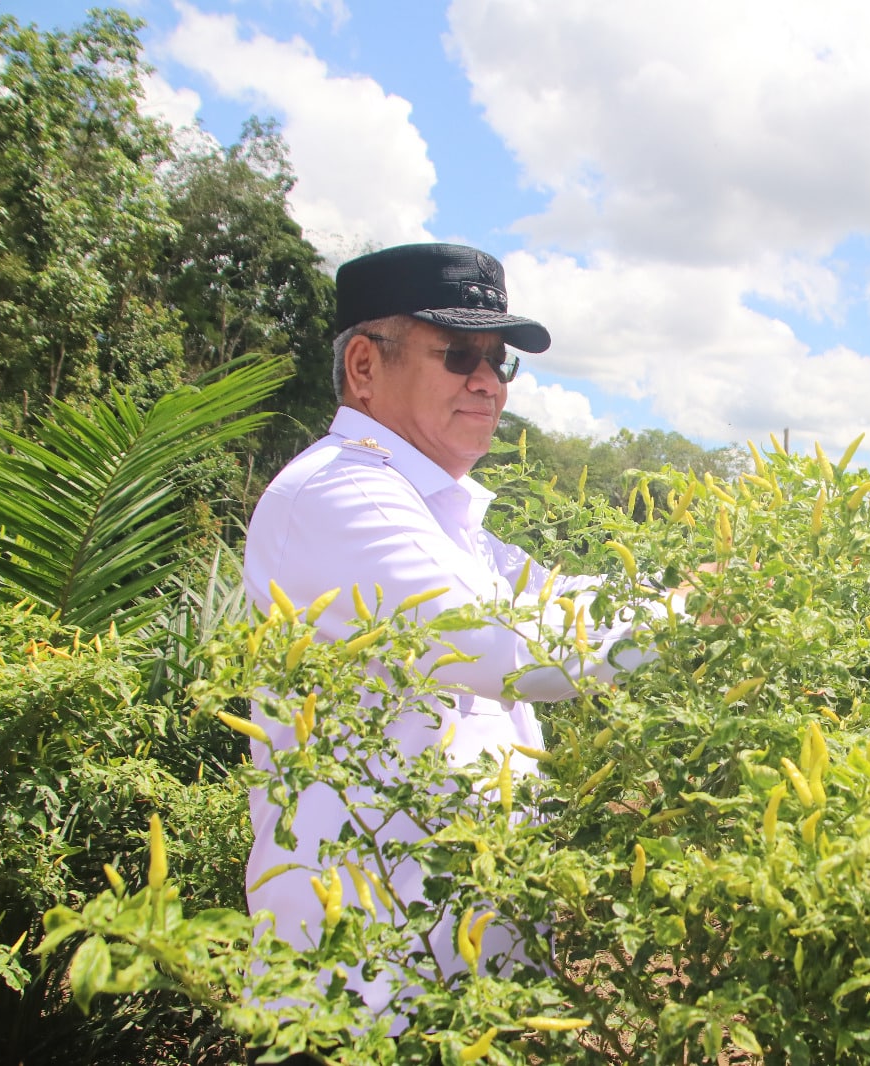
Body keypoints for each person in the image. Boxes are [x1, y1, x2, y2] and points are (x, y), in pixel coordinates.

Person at [241, 243, 696, 1050]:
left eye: (498, 362)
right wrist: (694, 616)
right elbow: (520, 649)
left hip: (463, 990)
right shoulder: (339, 495)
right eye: (458, 354)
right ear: (363, 366)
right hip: (368, 994)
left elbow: (565, 600)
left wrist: (698, 589)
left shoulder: (442, 518)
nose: (487, 381)